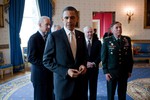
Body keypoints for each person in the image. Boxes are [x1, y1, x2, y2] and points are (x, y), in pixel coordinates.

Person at [43, 6, 87, 100]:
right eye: (66, 17)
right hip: (63, 85)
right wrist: (66, 71)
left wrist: (83, 65)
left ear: (77, 19)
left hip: (80, 85)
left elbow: (84, 55)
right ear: (62, 19)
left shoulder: (81, 35)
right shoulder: (54, 36)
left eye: (72, 17)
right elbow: (46, 61)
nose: (69, 20)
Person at [101, 21, 133, 100]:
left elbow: (129, 56)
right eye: (116, 27)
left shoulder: (127, 39)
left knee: (122, 93)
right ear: (112, 30)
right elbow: (104, 57)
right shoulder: (107, 40)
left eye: (120, 27)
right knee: (111, 94)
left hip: (123, 71)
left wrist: (129, 70)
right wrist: (106, 72)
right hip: (112, 72)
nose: (119, 29)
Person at [27, 16, 54, 100]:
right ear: (39, 24)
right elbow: (31, 58)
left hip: (48, 74)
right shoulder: (33, 38)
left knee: (49, 95)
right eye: (47, 25)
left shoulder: (48, 37)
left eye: (50, 25)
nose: (49, 27)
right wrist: (46, 64)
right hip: (39, 75)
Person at [83, 26, 101, 100]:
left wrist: (94, 63)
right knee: (83, 88)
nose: (90, 33)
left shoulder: (98, 42)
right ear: (84, 33)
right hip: (83, 69)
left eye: (91, 32)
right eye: (88, 32)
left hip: (94, 69)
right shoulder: (80, 42)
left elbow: (100, 55)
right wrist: (85, 63)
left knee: (93, 88)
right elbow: (78, 55)